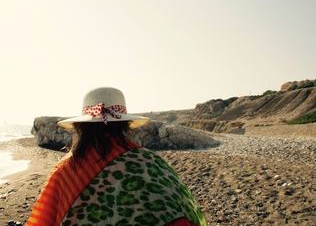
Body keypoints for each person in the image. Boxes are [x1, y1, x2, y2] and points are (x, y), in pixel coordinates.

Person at [26, 87, 207, 226]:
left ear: (81, 127)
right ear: (125, 125)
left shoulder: (67, 171)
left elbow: (43, 219)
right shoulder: (153, 163)